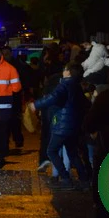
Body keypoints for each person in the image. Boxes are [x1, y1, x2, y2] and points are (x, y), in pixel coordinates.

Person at [30, 62, 90, 190]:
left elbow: (53, 97)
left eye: (64, 69)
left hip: (62, 125)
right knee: (73, 154)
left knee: (51, 151)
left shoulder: (64, 84)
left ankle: (65, 178)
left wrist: (36, 104)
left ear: (68, 72)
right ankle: (84, 180)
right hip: (73, 126)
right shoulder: (76, 86)